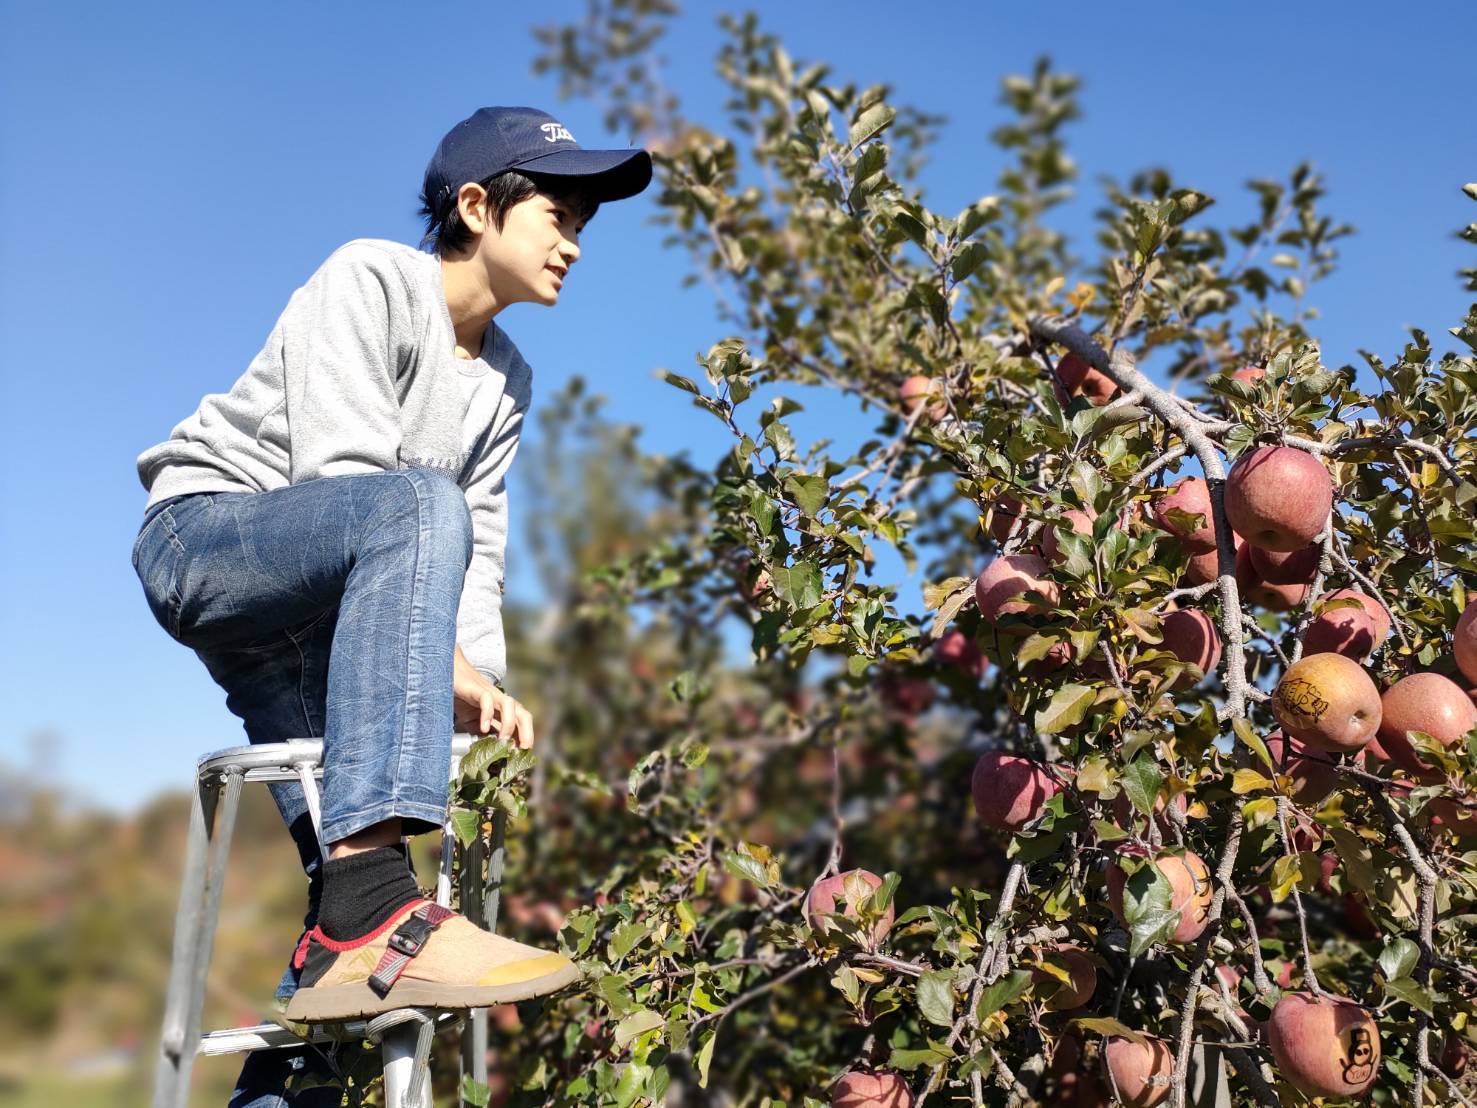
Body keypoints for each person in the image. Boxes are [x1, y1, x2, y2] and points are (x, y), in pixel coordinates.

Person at [130, 106, 652, 1106]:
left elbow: (480, 551)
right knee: (418, 502)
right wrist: (437, 669)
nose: (574, 242)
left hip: (312, 616)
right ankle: (372, 908)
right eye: (556, 212)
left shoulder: (505, 381)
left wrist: (478, 691)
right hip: (210, 539)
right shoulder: (370, 277)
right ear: (473, 206)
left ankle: (287, 1080)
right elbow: (353, 479)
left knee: (379, 890)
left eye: (585, 222)